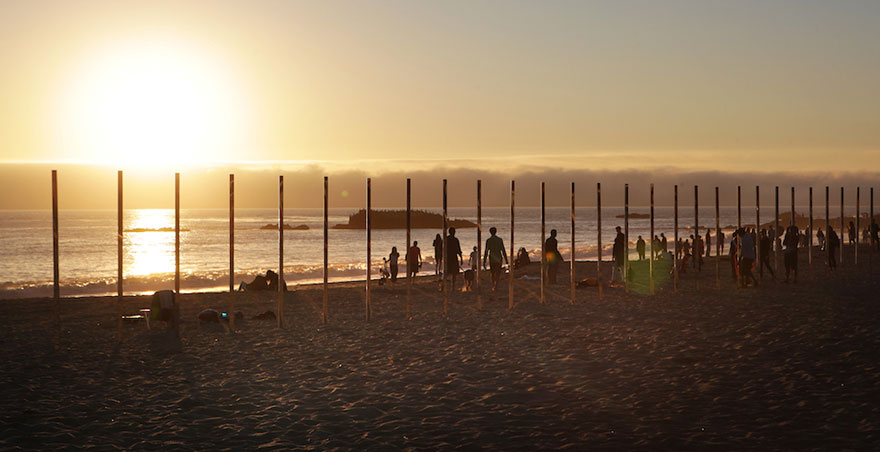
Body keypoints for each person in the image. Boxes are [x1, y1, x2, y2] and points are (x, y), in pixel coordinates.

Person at [483, 227, 508, 291]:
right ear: (496, 232)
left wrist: (484, 260)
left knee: (492, 273)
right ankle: (496, 285)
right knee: (498, 273)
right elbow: (503, 250)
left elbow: (486, 251)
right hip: (499, 258)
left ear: (490, 232)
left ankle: (493, 285)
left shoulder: (488, 240)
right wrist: (506, 259)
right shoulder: (499, 240)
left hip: (492, 258)